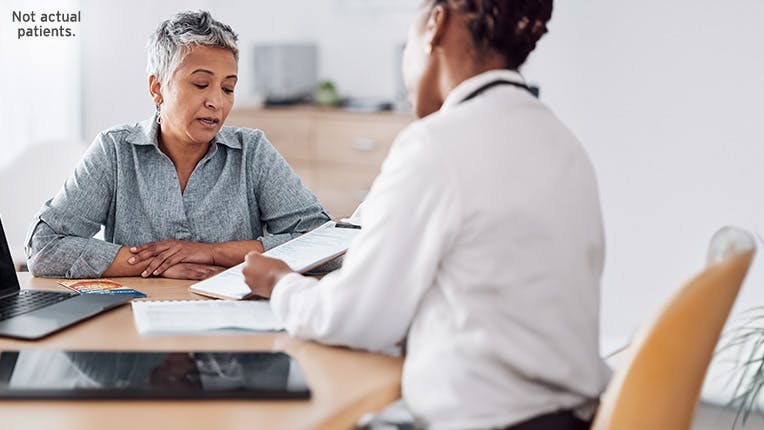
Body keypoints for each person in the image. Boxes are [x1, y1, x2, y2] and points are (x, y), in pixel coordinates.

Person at [242, 1, 610, 429]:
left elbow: (356, 319)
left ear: (435, 23)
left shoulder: (437, 143)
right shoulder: (560, 140)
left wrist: (279, 282)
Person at [26, 11, 330, 280]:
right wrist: (161, 266)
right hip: (133, 321)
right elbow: (44, 246)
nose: (217, 102)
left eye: (228, 88)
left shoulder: (252, 151)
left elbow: (328, 245)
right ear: (157, 88)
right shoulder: (115, 150)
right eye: (201, 84)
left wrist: (212, 253)